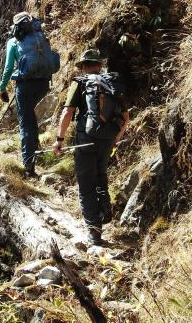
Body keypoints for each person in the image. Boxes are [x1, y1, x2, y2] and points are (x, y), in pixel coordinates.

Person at [53, 49, 129, 245]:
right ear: (99, 65)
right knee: (101, 176)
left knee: (86, 184)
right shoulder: (112, 83)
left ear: (83, 66)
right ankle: (105, 209)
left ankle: (94, 232)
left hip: (86, 138)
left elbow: (68, 112)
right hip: (107, 139)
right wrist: (115, 138)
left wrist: (59, 139)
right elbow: (126, 117)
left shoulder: (80, 83)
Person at [0, 12, 54, 176]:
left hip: (25, 86)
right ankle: (34, 150)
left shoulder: (14, 42)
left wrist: (2, 89)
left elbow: (8, 68)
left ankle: (28, 164)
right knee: (30, 118)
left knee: (26, 122)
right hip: (43, 83)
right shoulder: (41, 38)